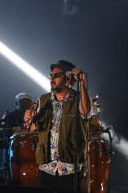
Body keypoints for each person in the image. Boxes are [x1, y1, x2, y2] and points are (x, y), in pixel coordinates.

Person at [24, 60, 93, 192]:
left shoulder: (79, 97)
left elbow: (86, 111)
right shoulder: (43, 100)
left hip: (69, 168)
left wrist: (82, 83)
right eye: (51, 75)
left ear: (68, 78)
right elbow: (35, 129)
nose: (52, 79)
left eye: (56, 75)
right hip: (46, 168)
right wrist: (28, 120)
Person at [0, 93, 34, 183]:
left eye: (28, 102)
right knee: (12, 181)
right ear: (16, 104)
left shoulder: (34, 116)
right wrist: (15, 129)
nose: (26, 105)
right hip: (12, 154)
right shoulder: (10, 115)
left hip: (31, 155)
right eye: (23, 102)